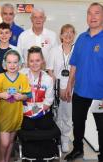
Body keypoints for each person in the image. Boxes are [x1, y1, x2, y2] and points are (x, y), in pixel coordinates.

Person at [64, 2, 103, 162]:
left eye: (97, 13)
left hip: (100, 95)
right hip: (80, 91)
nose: (93, 17)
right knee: (77, 122)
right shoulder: (81, 38)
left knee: (101, 128)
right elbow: (74, 64)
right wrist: (69, 85)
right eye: (89, 13)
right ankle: (77, 148)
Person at [0, 49, 31, 162]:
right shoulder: (0, 77)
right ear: (4, 64)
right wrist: (1, 95)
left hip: (16, 115)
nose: (12, 65)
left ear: (19, 64)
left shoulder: (23, 78)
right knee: (4, 142)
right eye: (9, 62)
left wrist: (22, 97)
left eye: (15, 62)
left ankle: (7, 161)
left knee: (11, 141)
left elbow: (28, 94)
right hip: (3, 115)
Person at [47, 24, 76, 153]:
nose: (68, 35)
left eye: (71, 32)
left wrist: (69, 87)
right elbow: (50, 71)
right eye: (65, 32)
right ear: (61, 36)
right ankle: (57, 139)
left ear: (74, 35)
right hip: (57, 87)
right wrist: (57, 89)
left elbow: (78, 71)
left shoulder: (77, 50)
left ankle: (65, 140)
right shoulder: (54, 50)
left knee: (68, 116)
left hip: (73, 86)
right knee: (57, 115)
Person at [0, 22, 18, 135]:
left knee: (10, 104)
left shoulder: (14, 50)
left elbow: (18, 67)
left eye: (6, 33)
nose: (4, 35)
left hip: (11, 84)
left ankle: (11, 124)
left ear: (10, 34)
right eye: (1, 33)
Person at [20, 46, 55, 131]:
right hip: (24, 112)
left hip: (42, 112)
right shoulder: (20, 76)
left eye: (37, 60)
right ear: (27, 62)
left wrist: (33, 111)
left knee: (45, 127)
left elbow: (48, 101)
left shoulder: (48, 79)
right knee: (27, 128)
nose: (34, 63)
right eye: (31, 61)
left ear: (42, 61)